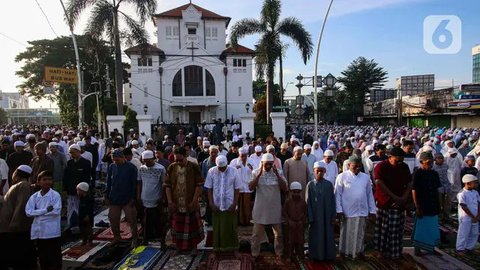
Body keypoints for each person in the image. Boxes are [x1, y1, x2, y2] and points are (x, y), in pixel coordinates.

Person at [374, 147, 412, 260]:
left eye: (401, 160)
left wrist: (404, 197)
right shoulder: (381, 166)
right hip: (385, 201)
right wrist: (394, 197)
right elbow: (379, 182)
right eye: (397, 160)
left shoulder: (404, 167)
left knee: (396, 230)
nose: (399, 163)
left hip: (400, 201)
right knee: (382, 229)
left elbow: (409, 183)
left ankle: (395, 253)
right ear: (390, 157)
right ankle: (381, 251)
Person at [164, 147, 204, 254]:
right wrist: (170, 202)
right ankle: (179, 247)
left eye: (180, 160)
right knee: (177, 226)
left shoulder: (194, 167)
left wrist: (194, 201)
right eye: (176, 160)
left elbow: (199, 185)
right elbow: (167, 185)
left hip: (190, 201)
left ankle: (194, 247)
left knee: (192, 226)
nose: (178, 162)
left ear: (185, 156)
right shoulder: (171, 167)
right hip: (176, 202)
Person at [335, 156, 376, 260]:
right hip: (347, 210)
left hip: (362, 210)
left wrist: (372, 210)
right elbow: (337, 195)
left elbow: (369, 195)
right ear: (349, 165)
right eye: (354, 166)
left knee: (360, 233)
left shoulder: (365, 177)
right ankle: (345, 253)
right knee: (347, 233)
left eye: (359, 166)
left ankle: (358, 252)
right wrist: (338, 210)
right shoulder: (342, 177)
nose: (357, 168)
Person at [249, 153, 288, 259]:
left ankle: (279, 253)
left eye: (270, 164)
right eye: (266, 164)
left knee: (278, 234)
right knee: (256, 235)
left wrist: (277, 175)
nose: (268, 167)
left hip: (274, 208)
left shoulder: (279, 172)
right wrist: (259, 174)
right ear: (261, 163)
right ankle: (254, 254)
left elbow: (285, 188)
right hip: (260, 208)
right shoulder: (255, 172)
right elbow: (250, 187)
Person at [0, 165, 35, 269]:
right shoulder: (18, 185)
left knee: (18, 254)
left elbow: (21, 205)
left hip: (14, 228)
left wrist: (15, 225)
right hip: (9, 227)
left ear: (17, 173)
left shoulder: (23, 185)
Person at [25, 170, 62, 270]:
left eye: (49, 179)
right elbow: (28, 212)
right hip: (39, 232)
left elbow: (56, 211)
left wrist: (37, 213)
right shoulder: (34, 197)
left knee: (55, 259)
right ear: (38, 182)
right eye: (44, 180)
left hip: (52, 232)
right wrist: (45, 210)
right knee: (43, 258)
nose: (47, 182)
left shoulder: (55, 195)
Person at [205, 155, 242, 254]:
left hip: (230, 205)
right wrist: (211, 203)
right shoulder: (211, 171)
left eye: (223, 167)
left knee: (232, 228)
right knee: (217, 229)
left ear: (227, 164)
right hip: (216, 205)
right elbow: (209, 188)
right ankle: (216, 250)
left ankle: (234, 250)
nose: (222, 169)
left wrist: (234, 203)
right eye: (220, 168)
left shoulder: (233, 171)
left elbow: (237, 189)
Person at [105, 149, 139, 247]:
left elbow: (134, 184)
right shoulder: (112, 166)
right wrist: (106, 195)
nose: (116, 162)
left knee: (132, 219)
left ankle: (135, 239)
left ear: (123, 157)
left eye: (117, 160)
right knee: (113, 218)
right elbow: (108, 182)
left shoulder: (131, 168)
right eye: (114, 160)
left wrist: (133, 198)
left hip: (127, 198)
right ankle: (117, 237)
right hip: (114, 197)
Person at [411, 152, 441, 256]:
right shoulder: (417, 174)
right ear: (421, 162)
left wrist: (439, 204)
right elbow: (414, 190)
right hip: (422, 204)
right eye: (428, 163)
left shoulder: (434, 173)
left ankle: (431, 248)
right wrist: (417, 206)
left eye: (431, 163)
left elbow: (437, 190)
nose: (430, 165)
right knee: (421, 228)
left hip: (433, 203)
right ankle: (417, 249)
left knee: (432, 227)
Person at [306, 162, 336, 261]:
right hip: (315, 218)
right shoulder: (310, 185)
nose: (319, 173)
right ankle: (315, 255)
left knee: (328, 235)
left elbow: (332, 201)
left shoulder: (329, 185)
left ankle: (328, 256)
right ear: (314, 171)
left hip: (327, 217)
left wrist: (333, 216)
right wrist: (310, 217)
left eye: (321, 171)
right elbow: (308, 202)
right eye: (317, 171)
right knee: (315, 236)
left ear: (324, 171)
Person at [138, 150, 166, 246]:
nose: (146, 163)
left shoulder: (160, 168)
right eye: (145, 161)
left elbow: (164, 184)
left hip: (156, 199)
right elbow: (139, 183)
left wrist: (162, 197)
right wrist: (139, 196)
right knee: (145, 221)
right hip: (144, 198)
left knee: (159, 221)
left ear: (153, 159)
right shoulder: (141, 168)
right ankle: (146, 239)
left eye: (148, 161)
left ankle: (162, 240)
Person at [63, 144, 91, 229]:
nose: (72, 154)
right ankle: (71, 226)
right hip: (71, 191)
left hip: (81, 192)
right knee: (71, 209)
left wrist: (84, 190)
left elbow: (87, 178)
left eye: (73, 152)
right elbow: (66, 177)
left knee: (81, 210)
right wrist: (65, 189)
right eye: (70, 153)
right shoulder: (70, 163)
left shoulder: (86, 163)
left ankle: (81, 227)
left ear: (78, 151)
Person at [455, 174, 480, 255]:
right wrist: (472, 216)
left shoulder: (475, 192)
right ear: (468, 183)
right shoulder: (462, 193)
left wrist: (478, 215)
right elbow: (463, 206)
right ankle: (460, 248)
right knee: (464, 233)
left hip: (475, 216)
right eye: (474, 183)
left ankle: (469, 247)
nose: (476, 184)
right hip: (465, 217)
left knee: (475, 233)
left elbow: (478, 204)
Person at [283, 181, 307, 262]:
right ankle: (289, 255)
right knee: (290, 241)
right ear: (291, 192)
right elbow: (284, 212)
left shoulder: (303, 202)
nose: (296, 194)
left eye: (298, 192)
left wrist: (302, 221)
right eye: (294, 192)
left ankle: (300, 256)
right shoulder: (288, 202)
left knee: (300, 240)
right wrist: (289, 221)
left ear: (300, 192)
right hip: (291, 224)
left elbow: (305, 213)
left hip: (300, 225)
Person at [230, 147, 254, 226]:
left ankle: (247, 221)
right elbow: (230, 173)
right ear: (239, 155)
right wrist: (235, 168)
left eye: (245, 156)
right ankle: (238, 221)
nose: (243, 158)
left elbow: (256, 172)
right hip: (238, 186)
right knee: (238, 204)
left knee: (246, 204)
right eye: (241, 156)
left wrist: (251, 168)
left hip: (247, 186)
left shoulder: (251, 161)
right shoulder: (234, 162)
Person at [433, 153, 451, 220]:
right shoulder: (433, 167)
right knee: (439, 202)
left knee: (447, 202)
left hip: (447, 186)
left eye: (442, 158)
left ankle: (446, 216)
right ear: (435, 159)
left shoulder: (446, 165)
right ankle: (439, 216)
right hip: (438, 187)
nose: (441, 160)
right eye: (439, 158)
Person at [76, 182, 94, 246]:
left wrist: (87, 215)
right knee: (82, 229)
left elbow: (89, 208)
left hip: (87, 217)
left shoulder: (88, 199)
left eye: (78, 190)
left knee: (88, 229)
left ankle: (90, 240)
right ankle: (84, 240)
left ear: (82, 190)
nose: (77, 192)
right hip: (81, 216)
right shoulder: (81, 198)